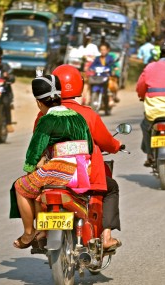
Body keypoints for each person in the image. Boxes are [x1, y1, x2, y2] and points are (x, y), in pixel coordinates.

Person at [34, 65, 123, 251]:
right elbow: (106, 142)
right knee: (111, 188)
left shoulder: (43, 114)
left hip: (54, 175)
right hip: (84, 176)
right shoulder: (88, 114)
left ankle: (39, 231)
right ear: (79, 85)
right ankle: (106, 237)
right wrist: (117, 146)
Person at [11, 74, 93, 249]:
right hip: (82, 172)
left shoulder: (47, 119)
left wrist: (30, 168)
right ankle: (44, 230)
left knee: (21, 186)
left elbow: (35, 149)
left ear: (39, 102)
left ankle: (28, 233)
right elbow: (90, 147)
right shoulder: (78, 118)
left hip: (59, 170)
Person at [136, 42, 165, 167]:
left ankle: (149, 154)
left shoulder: (150, 67)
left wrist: (141, 96)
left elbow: (140, 87)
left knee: (145, 125)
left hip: (154, 113)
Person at [89, 42, 117, 115]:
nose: (103, 51)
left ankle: (110, 101)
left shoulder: (110, 58)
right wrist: (91, 69)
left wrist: (114, 68)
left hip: (107, 77)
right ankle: (92, 102)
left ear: (108, 50)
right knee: (92, 87)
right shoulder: (97, 59)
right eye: (101, 50)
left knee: (108, 89)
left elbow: (114, 65)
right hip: (98, 78)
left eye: (104, 50)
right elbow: (92, 66)